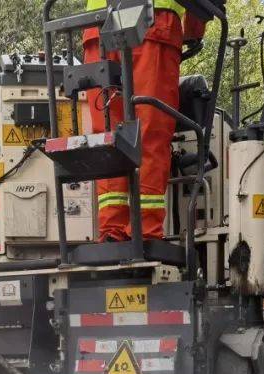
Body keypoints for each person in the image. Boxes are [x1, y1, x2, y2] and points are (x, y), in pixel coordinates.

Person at [84, 1, 200, 241]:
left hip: (97, 28)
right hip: (153, 25)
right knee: (151, 133)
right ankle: (145, 228)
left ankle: (111, 229)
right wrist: (194, 27)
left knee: (108, 135)